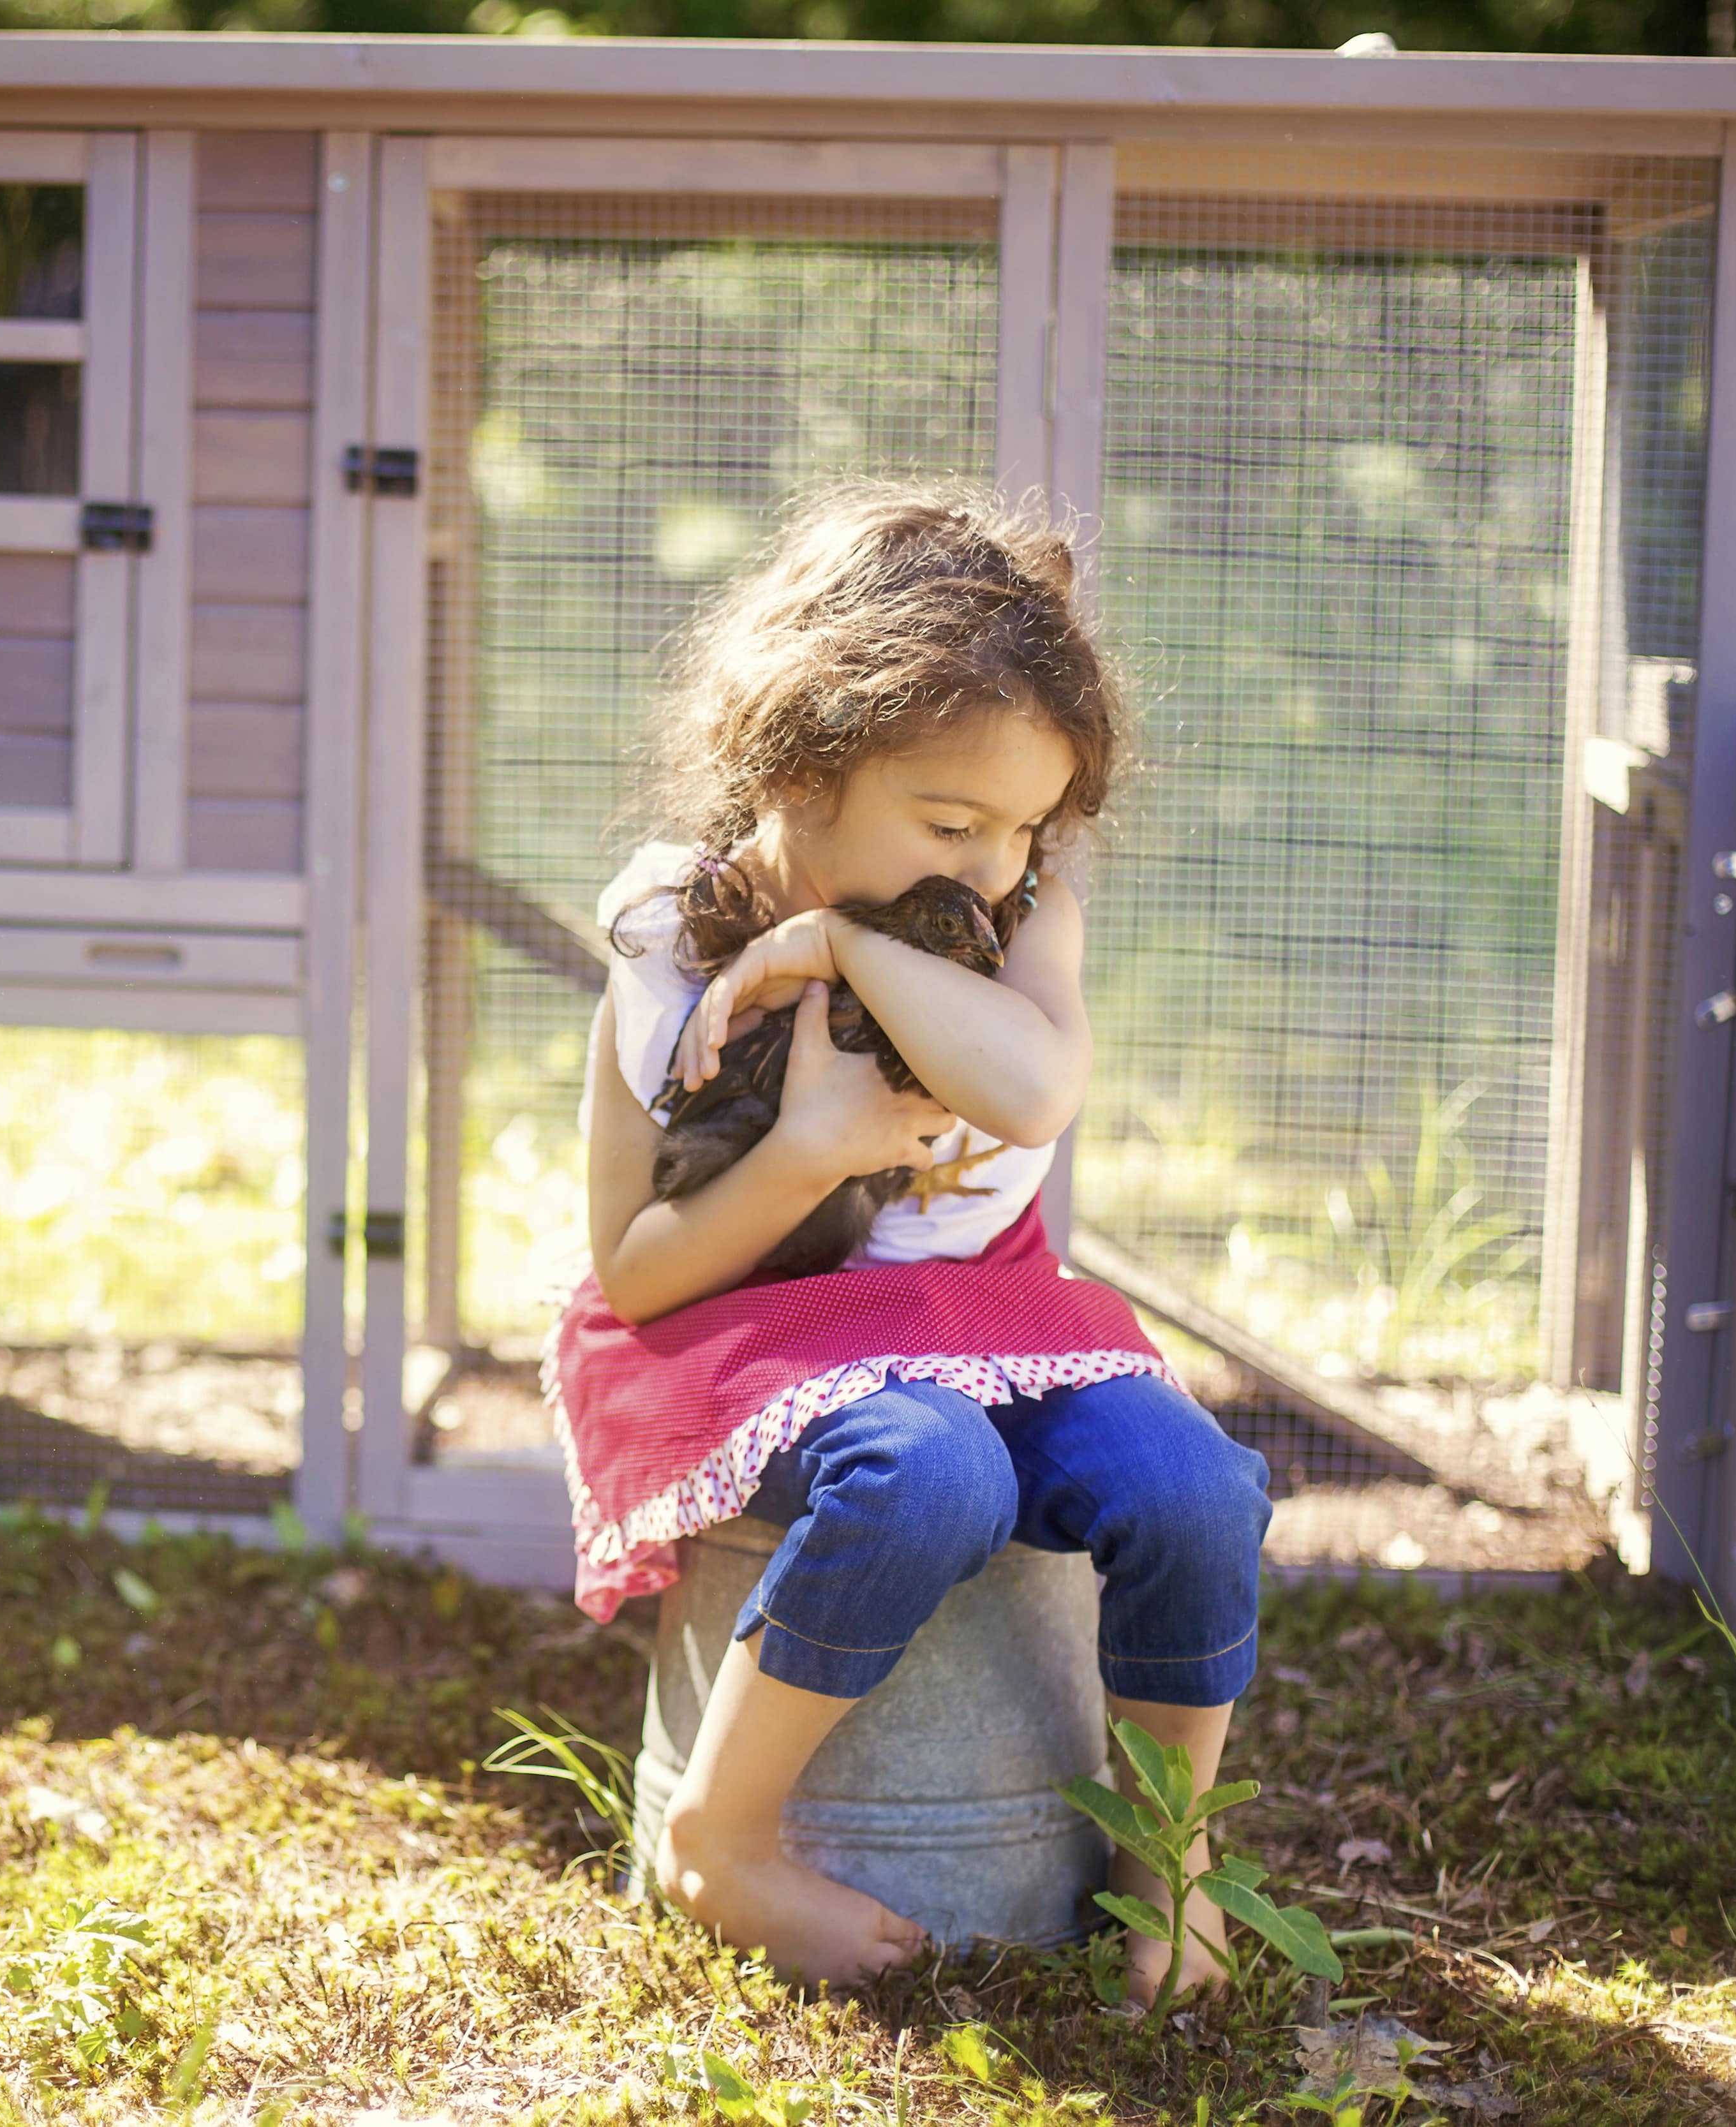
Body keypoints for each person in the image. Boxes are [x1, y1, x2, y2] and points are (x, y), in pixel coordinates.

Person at [549, 483, 1272, 1999]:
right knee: (930, 1469)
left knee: (1196, 1489)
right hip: (754, 1332)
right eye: (950, 822)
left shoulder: (1021, 918)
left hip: (987, 1319)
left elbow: (1031, 1083)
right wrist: (813, 1149)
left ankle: (1166, 1856)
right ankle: (721, 1831)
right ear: (797, 768)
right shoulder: (672, 928)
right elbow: (636, 1267)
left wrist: (840, 942)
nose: (994, 864)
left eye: (1024, 824)